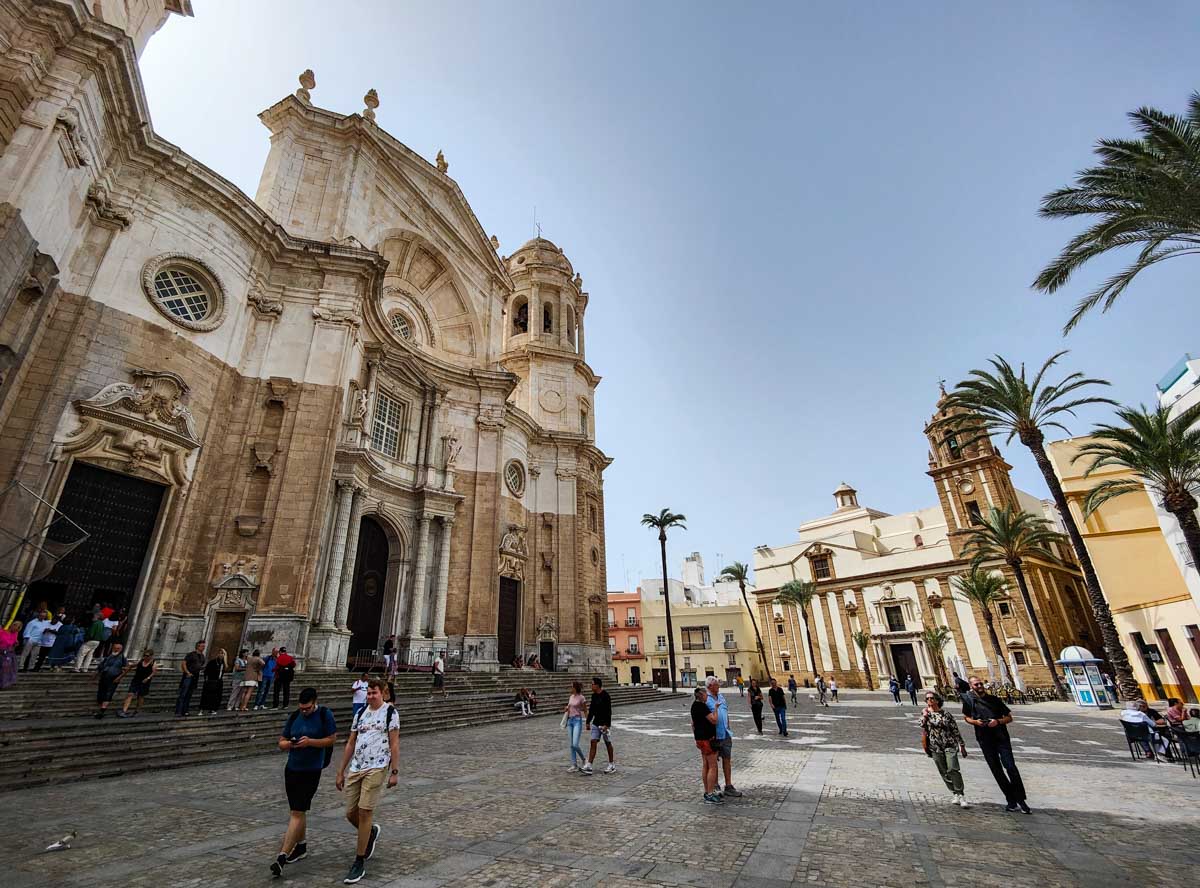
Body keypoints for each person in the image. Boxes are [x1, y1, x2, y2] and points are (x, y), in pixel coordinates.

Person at [335, 679, 398, 885]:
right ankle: (369, 832)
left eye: (374, 693)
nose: (370, 696)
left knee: (364, 811)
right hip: (356, 766)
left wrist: (394, 771)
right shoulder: (360, 713)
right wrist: (340, 771)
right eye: (368, 693)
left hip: (378, 766)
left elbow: (395, 743)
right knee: (349, 813)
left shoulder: (390, 713)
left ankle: (359, 861)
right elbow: (350, 742)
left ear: (383, 693)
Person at [271, 687, 338, 878]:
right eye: (301, 708)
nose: (304, 711)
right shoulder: (295, 716)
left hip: (311, 770)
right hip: (292, 768)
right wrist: (291, 744)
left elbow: (332, 740)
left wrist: (310, 742)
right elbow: (281, 742)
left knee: (297, 812)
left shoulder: (325, 715)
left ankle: (282, 856)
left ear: (315, 702)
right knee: (297, 810)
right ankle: (301, 847)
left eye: (307, 708)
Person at [962, 675, 1030, 813]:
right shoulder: (969, 701)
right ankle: (1011, 800)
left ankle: (1021, 800)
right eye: (976, 684)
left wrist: (997, 722)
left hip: (1001, 738)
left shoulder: (994, 700)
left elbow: (1009, 717)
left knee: (1010, 767)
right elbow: (966, 717)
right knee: (996, 770)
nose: (979, 686)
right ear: (971, 686)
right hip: (984, 739)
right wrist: (976, 722)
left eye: (980, 683)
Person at [921, 690, 970, 808]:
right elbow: (922, 727)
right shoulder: (925, 714)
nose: (929, 701)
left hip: (949, 744)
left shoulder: (946, 714)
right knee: (943, 771)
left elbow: (955, 730)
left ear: (937, 700)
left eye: (932, 698)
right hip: (935, 746)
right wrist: (925, 715)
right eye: (927, 699)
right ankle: (954, 793)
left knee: (953, 769)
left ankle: (961, 794)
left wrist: (962, 745)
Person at [706, 675, 742, 797]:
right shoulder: (706, 698)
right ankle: (715, 786)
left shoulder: (721, 696)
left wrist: (728, 726)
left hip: (725, 733)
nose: (718, 687)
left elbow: (725, 712)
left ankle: (728, 785)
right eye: (716, 685)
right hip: (714, 735)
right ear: (710, 686)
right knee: (713, 762)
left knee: (727, 759)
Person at [691, 686, 721, 804]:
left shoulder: (694, 706)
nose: (707, 697)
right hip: (706, 739)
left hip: (700, 738)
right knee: (712, 766)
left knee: (706, 765)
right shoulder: (702, 707)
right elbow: (714, 720)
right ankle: (709, 793)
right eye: (706, 695)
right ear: (702, 695)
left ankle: (707, 790)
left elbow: (692, 724)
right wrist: (716, 709)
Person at [584, 675, 616, 774]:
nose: (591, 686)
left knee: (608, 743)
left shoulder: (606, 696)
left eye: (592, 684)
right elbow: (592, 710)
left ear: (597, 685)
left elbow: (608, 711)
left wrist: (607, 725)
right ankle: (589, 765)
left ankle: (611, 764)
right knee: (593, 742)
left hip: (604, 724)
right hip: (596, 723)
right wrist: (588, 722)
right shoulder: (593, 696)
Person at [119, 649, 158, 717]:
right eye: (144, 655)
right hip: (136, 680)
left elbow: (154, 672)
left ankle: (137, 710)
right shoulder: (141, 661)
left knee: (140, 696)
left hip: (144, 682)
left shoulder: (153, 663)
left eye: (147, 656)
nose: (145, 657)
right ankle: (124, 711)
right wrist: (126, 668)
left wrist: (147, 678)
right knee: (130, 694)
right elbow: (133, 665)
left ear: (151, 656)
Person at [93, 642, 128, 718]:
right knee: (101, 693)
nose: (116, 649)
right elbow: (101, 666)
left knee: (108, 693)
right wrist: (95, 675)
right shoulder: (108, 656)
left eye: (118, 648)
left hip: (114, 678)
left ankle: (102, 711)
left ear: (121, 649)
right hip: (104, 677)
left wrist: (119, 678)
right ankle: (100, 709)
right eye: (115, 648)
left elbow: (126, 669)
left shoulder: (122, 658)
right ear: (113, 648)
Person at [175, 640, 206, 716]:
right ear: (198, 646)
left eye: (204, 646)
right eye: (202, 646)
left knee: (189, 694)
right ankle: (178, 711)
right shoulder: (191, 654)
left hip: (196, 676)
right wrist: (187, 672)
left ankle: (185, 710)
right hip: (188, 676)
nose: (203, 648)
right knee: (183, 694)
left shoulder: (202, 656)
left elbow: (200, 665)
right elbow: (184, 663)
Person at [564, 680, 588, 772]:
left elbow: (585, 710)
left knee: (575, 744)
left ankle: (583, 759)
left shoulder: (581, 698)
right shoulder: (571, 697)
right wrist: (566, 708)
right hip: (570, 721)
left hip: (577, 720)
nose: (570, 688)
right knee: (571, 745)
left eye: (571, 686)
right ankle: (574, 764)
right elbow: (569, 706)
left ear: (575, 688)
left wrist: (587, 722)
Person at [200, 648, 228, 715]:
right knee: (206, 695)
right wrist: (206, 679)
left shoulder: (223, 663)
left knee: (216, 696)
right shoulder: (212, 662)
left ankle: (213, 708)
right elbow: (206, 671)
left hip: (219, 681)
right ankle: (202, 709)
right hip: (211, 680)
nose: (221, 655)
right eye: (220, 653)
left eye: (223, 654)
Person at [0, 620, 20, 689]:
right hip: (1, 652)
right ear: (12, 625)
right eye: (16, 627)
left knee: (6, 669)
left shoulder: (15, 634)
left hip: (8, 653)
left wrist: (15, 644)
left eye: (18, 628)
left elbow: (13, 644)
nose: (16, 629)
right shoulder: (2, 632)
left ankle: (3, 684)